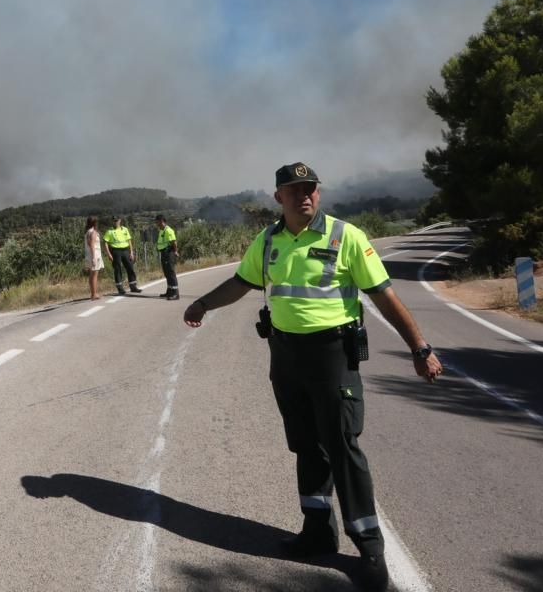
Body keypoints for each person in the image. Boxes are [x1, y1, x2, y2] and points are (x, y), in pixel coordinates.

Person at [181, 162, 443, 592]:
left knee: (342, 447)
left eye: (310, 188)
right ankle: (318, 531)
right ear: (278, 196)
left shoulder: (346, 236)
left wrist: (420, 348)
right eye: (294, 189)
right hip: (285, 354)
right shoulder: (267, 240)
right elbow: (240, 283)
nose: (304, 195)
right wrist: (203, 304)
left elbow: (384, 295)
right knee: (305, 445)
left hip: (331, 355)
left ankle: (370, 548)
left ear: (318, 193)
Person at [102, 217, 142, 295]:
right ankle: (120, 288)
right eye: (114, 221)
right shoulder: (109, 231)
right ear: (112, 221)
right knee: (117, 269)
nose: (116, 222)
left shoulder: (125, 229)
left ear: (120, 220)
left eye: (117, 220)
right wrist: (109, 254)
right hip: (115, 251)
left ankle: (133, 286)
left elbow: (129, 241)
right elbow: (105, 243)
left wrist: (131, 252)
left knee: (130, 267)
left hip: (125, 250)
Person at [155, 214, 179, 300]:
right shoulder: (162, 230)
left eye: (157, 222)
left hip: (169, 253)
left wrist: (175, 251)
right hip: (164, 253)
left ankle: (176, 294)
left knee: (171, 273)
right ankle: (169, 291)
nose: (156, 224)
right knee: (167, 273)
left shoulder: (168, 230)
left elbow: (174, 242)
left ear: (162, 221)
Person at [84, 216, 105, 300]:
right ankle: (94, 294)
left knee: (91, 275)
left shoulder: (87, 232)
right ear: (95, 223)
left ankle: (93, 293)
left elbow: (89, 244)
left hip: (88, 255)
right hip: (95, 255)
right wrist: (94, 258)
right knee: (95, 275)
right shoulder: (93, 232)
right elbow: (92, 244)